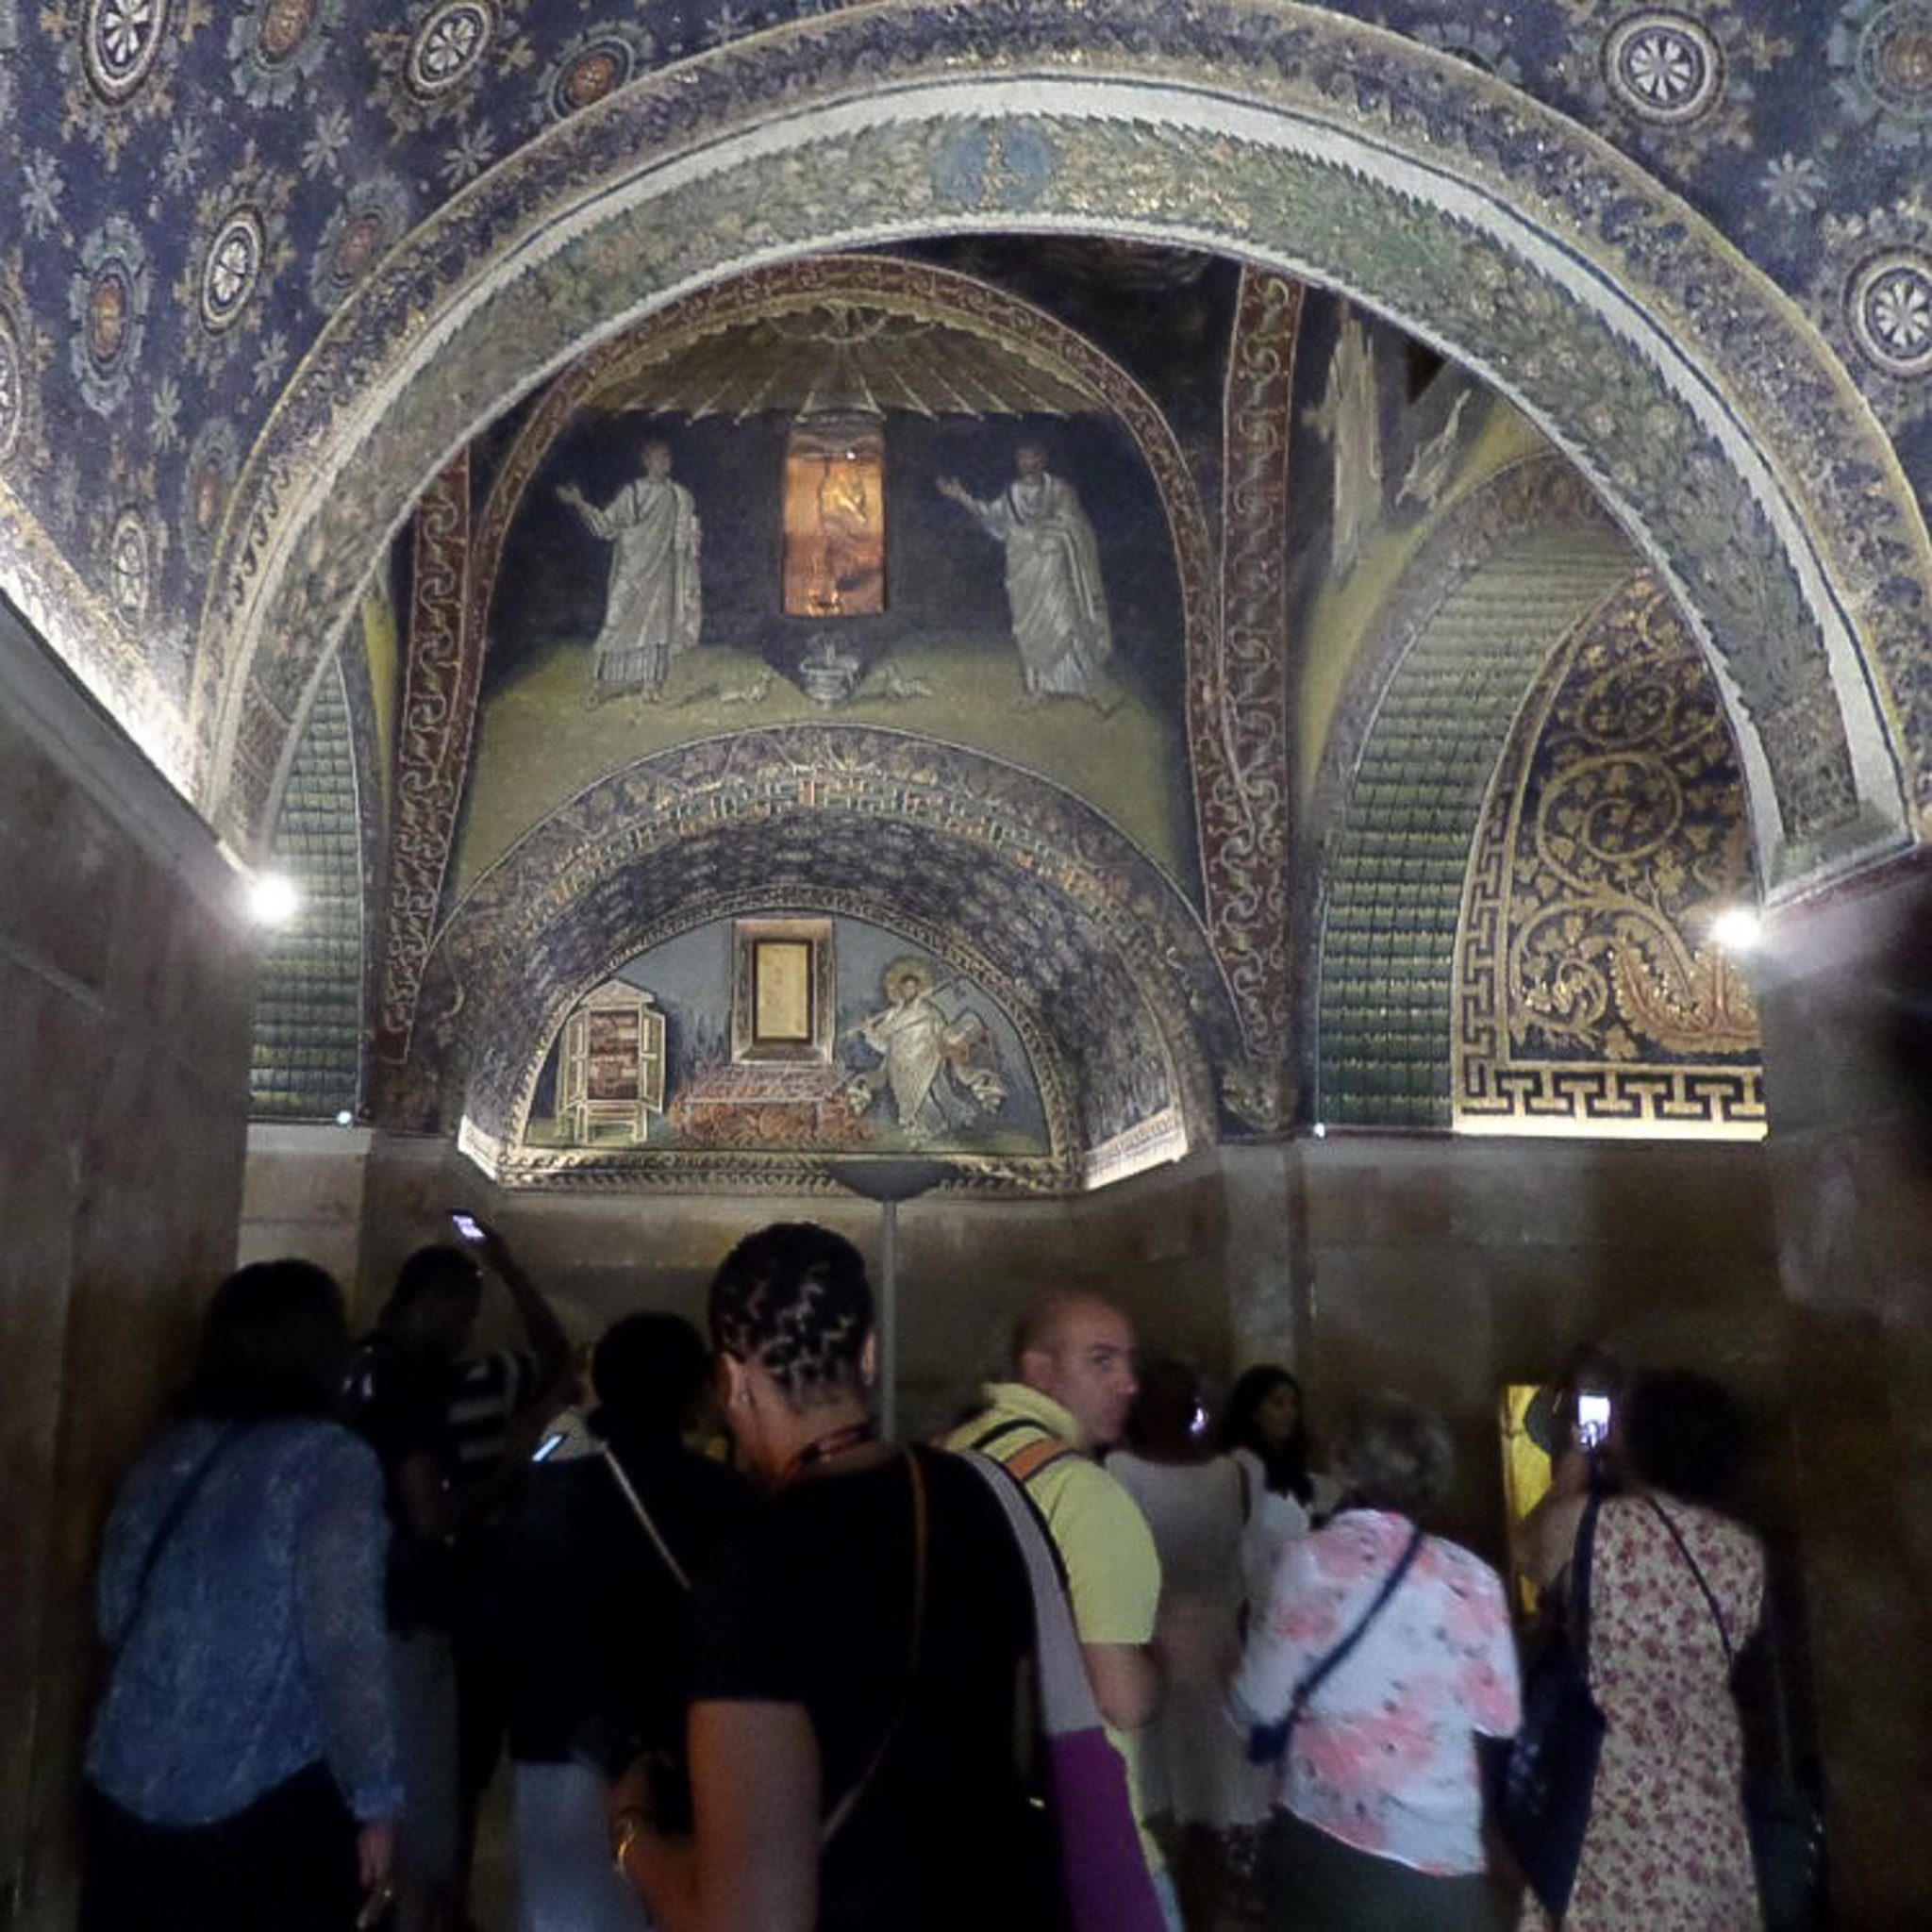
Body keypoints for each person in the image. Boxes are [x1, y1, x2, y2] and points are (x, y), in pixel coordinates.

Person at [608, 1222, 1058, 1932]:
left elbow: (752, 1921)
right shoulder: (983, 1498)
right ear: (870, 1355)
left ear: (731, 1381)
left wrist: (632, 1838)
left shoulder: (754, 1569)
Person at [80, 1259, 401, 1932]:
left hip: (122, 1781)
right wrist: (376, 1798)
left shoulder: (166, 1455)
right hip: (262, 1803)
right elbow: (344, 1645)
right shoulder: (330, 1463)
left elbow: (113, 1610)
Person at [486, 1311, 755, 1932]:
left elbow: (505, 1617)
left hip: (557, 1742)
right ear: (696, 1391)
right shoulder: (722, 1499)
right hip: (676, 1754)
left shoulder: (545, 1490)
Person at [342, 1223, 570, 1932]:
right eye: (463, 1315)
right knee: (435, 1785)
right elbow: (431, 1514)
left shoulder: (350, 1368)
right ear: (434, 1303)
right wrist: (513, 1471)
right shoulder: (417, 1384)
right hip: (415, 1611)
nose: (467, 1331)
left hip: (353, 1604)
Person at [1229, 1391, 1521, 1932]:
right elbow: (1499, 1718)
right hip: (1446, 1854)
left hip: (1331, 1843)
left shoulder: (1310, 1563)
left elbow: (1258, 1704)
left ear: (1343, 1465)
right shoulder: (1474, 1577)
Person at [946, 1290, 1174, 1927]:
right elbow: (1122, 1699)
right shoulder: (1083, 1493)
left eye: (1129, 1361)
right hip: (1088, 1833)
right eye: (1101, 1361)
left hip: (969, 1822)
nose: (1129, 1383)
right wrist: (1163, 1658)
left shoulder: (948, 1457)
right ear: (1039, 1371)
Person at [1514, 1370, 1765, 1932]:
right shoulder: (1742, 1551)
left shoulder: (1596, 1525)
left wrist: (1576, 1459)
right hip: (1705, 1758)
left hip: (1608, 1763)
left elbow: (1530, 1553)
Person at [1107, 1357, 1267, 1928]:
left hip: (1152, 1646)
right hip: (1216, 1646)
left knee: (1157, 1810)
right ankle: (1211, 1912)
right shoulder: (1230, 1474)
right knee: (1210, 1809)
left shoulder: (1121, 1470)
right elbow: (1240, 1569)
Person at [937, 441, 1116, 708]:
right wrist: (961, 496)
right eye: (1022, 458)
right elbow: (992, 516)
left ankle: (1079, 685)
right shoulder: (1013, 492)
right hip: (1023, 568)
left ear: (1043, 459)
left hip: (1054, 566)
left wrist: (1047, 536)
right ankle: (1037, 690)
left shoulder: (1059, 490)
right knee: (1029, 629)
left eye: (1032, 457)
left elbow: (1075, 525)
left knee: (1064, 621)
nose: (1027, 463)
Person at [558, 437, 702, 704]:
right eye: (659, 456)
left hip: (661, 574)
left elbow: (685, 535)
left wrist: (692, 543)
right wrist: (579, 503)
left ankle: (651, 686)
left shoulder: (679, 496)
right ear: (646, 461)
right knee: (614, 624)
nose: (665, 462)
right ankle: (598, 687)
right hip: (632, 571)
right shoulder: (633, 493)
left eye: (667, 456)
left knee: (657, 631)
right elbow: (606, 526)